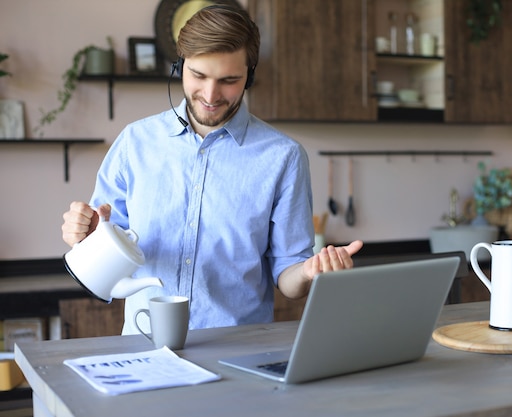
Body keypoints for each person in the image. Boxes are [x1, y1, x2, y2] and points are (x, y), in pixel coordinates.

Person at [60, 5, 362, 334]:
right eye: (198, 76)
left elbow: (289, 281)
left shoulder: (284, 157)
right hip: (146, 349)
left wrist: (309, 272)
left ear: (250, 76)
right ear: (180, 66)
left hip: (239, 353)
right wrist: (86, 235)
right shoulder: (135, 143)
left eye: (229, 80)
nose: (210, 95)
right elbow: (104, 250)